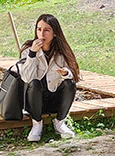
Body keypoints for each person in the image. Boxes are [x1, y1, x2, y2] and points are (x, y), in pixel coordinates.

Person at [18, 14, 80, 142]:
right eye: (39, 29)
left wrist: (66, 73)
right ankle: (37, 125)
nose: (42, 34)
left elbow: (75, 74)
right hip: (35, 100)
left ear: (55, 33)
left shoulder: (62, 51)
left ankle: (60, 123)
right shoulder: (27, 50)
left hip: (54, 98)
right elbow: (26, 78)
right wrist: (32, 54)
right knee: (34, 83)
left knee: (70, 83)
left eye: (47, 30)